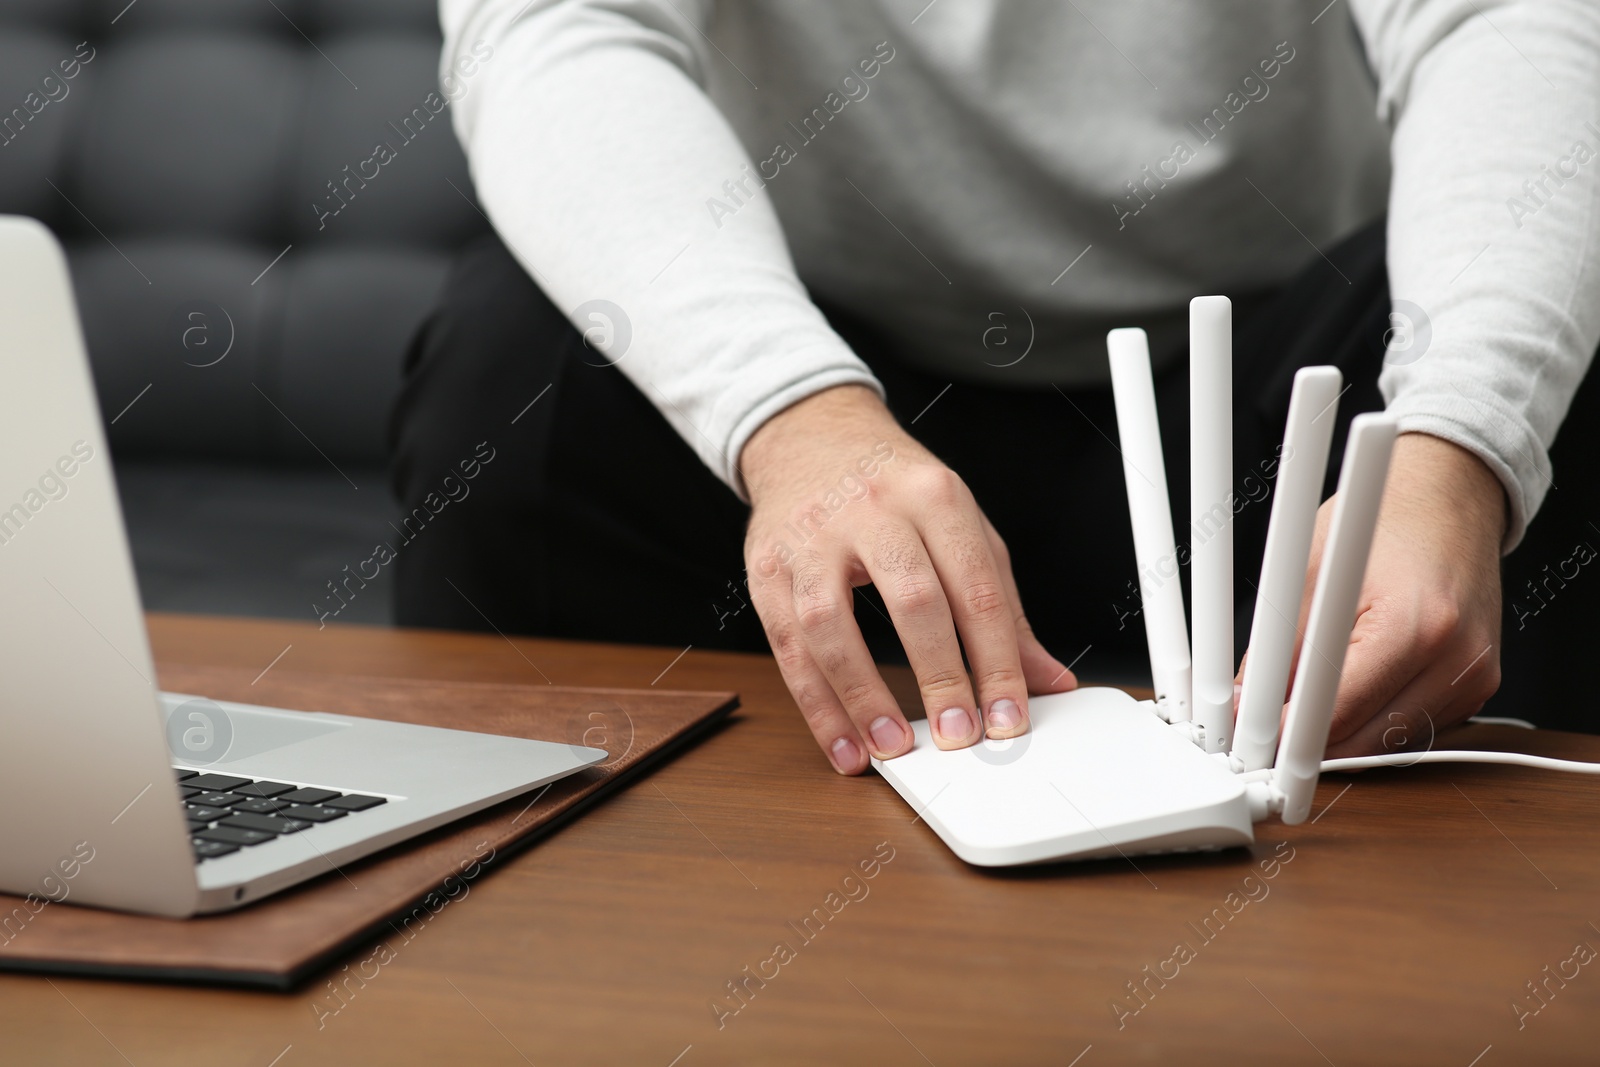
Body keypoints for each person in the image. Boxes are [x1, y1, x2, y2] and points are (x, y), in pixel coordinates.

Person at [392, 1, 1600, 774]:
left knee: (1545, 361)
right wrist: (791, 415)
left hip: (1276, 383)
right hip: (830, 378)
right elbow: (554, 28)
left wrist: (1458, 447)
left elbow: (1511, 18)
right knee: (511, 372)